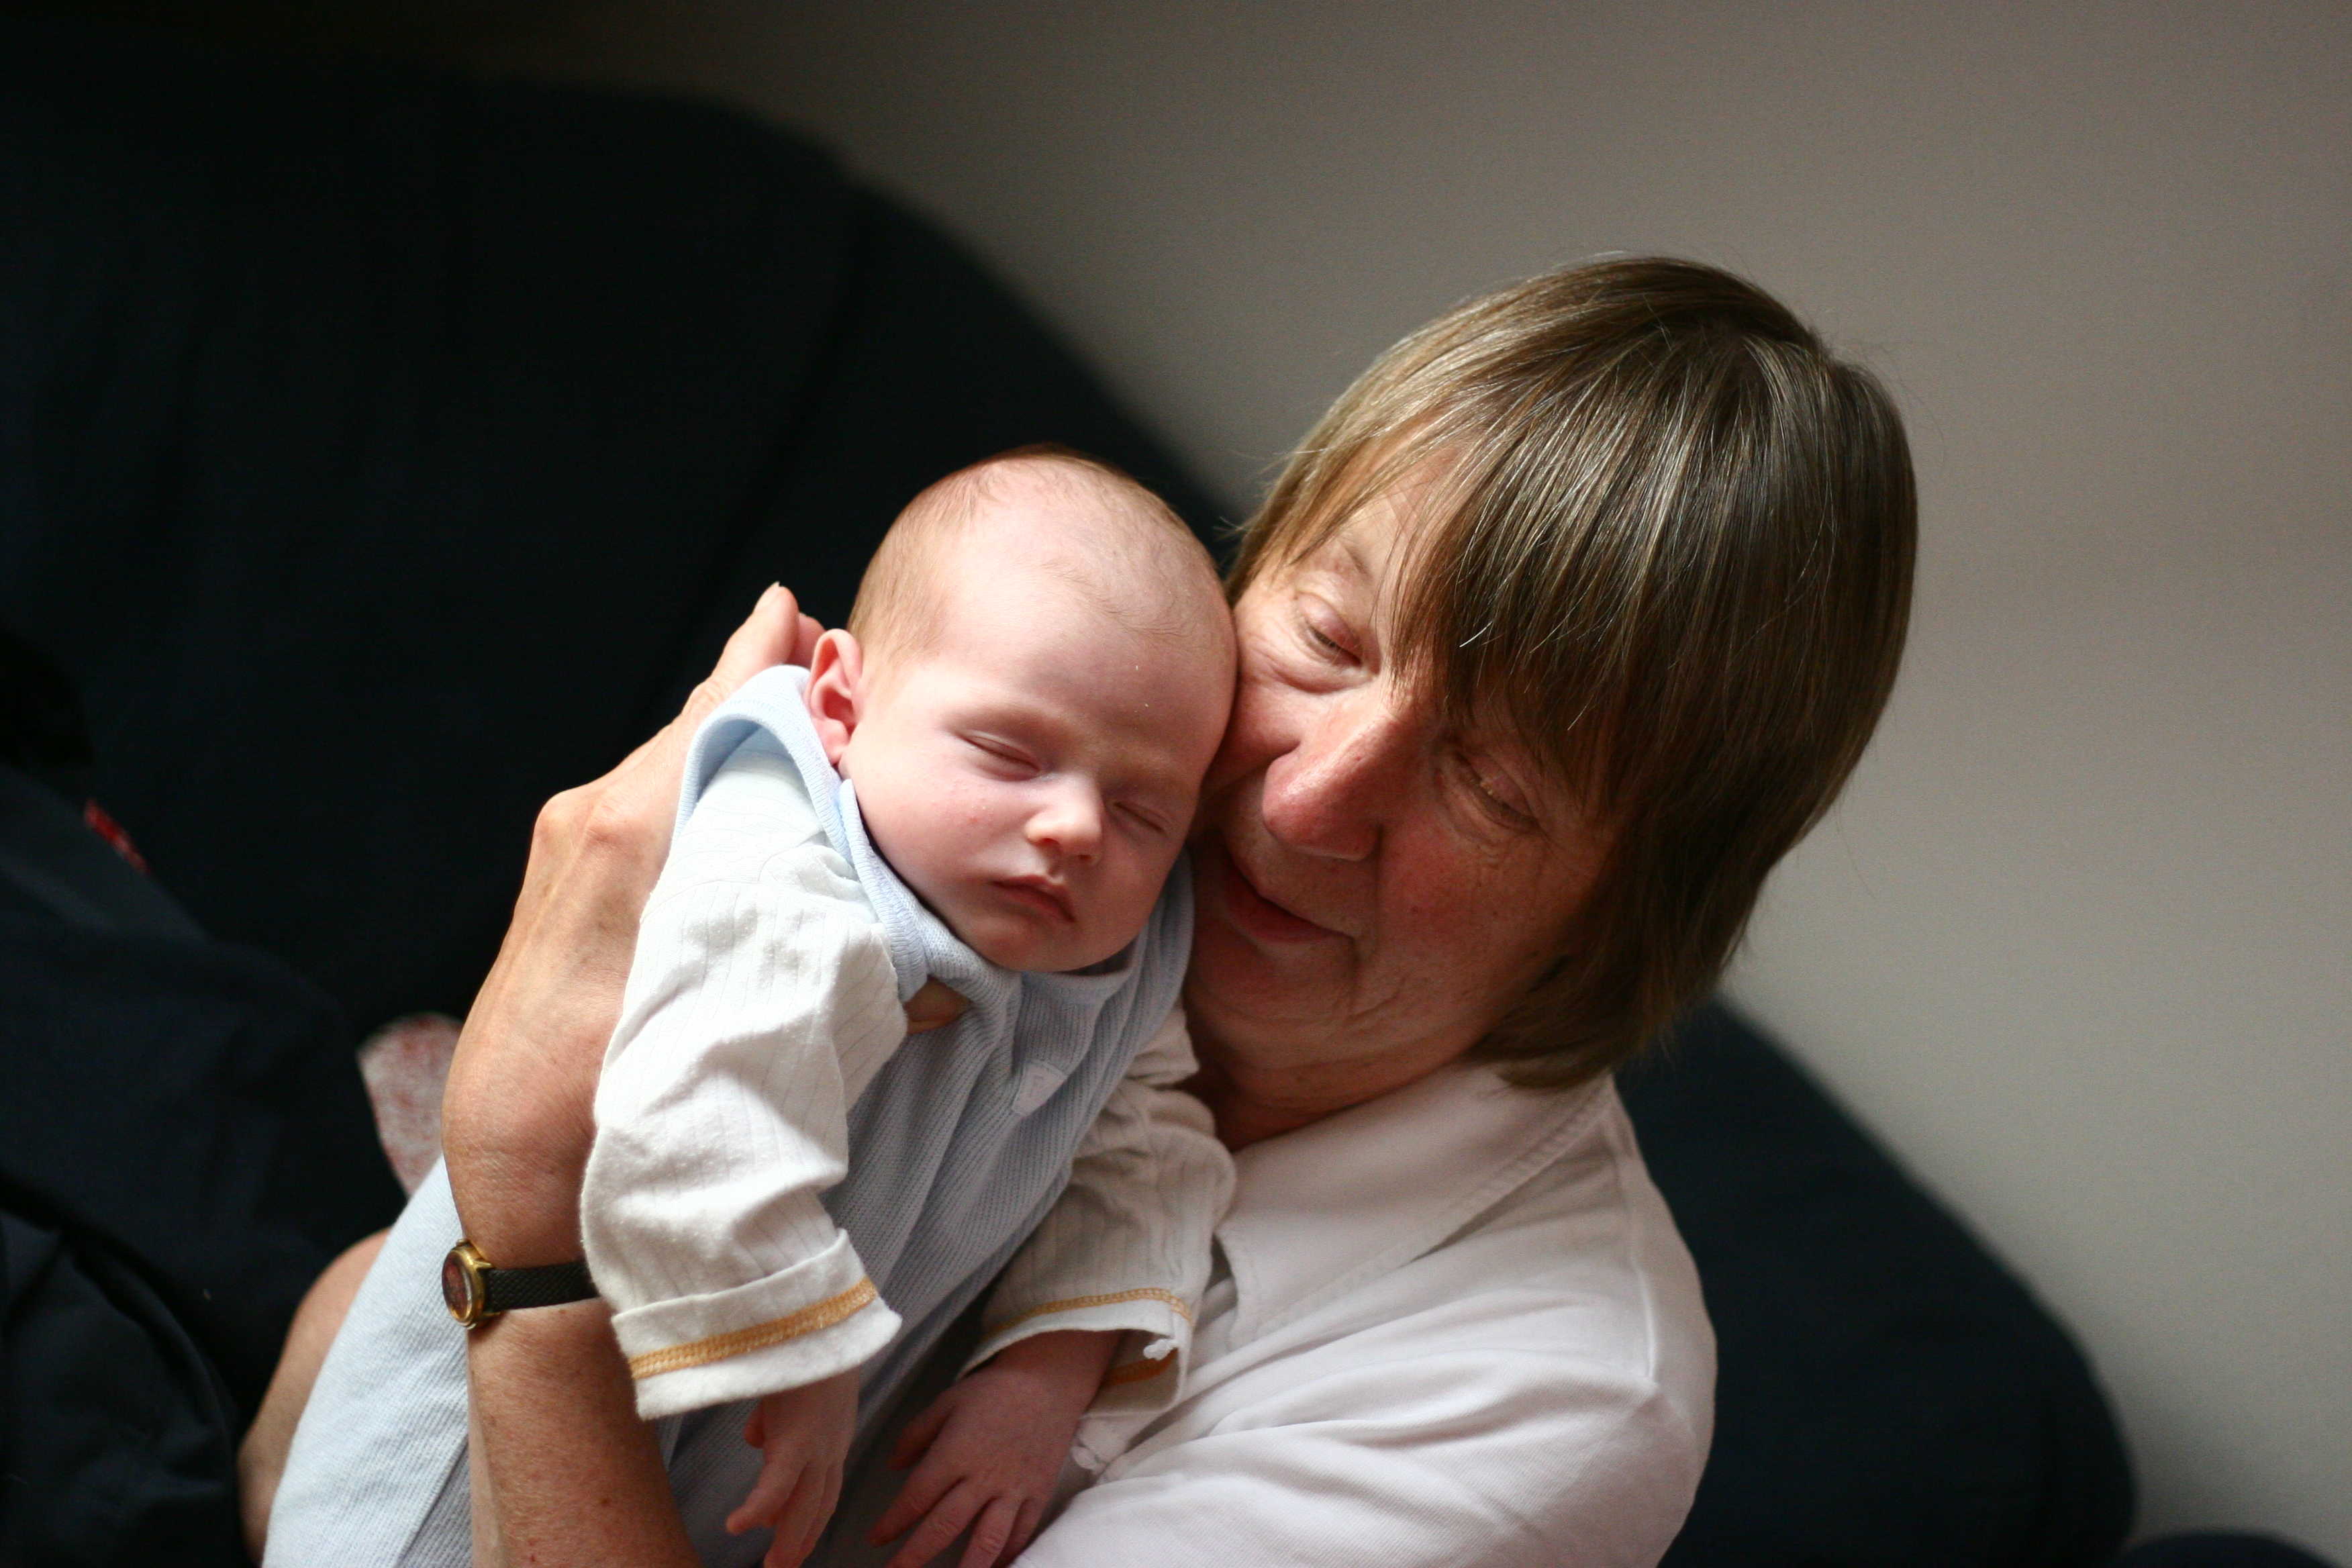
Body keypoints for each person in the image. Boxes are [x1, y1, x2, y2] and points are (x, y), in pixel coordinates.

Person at [252, 255, 1917, 1567]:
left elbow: (533, 1195)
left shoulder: (1546, 1405)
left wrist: (531, 1213)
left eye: (1491, 783)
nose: (1301, 802)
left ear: (1631, 916)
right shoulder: (1029, 852)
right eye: (1326, 639)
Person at [263, 452, 1240, 1568]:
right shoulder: (789, 859)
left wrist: (1049, 1367)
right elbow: (703, 1102)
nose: (1076, 827)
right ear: (841, 706)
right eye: (1010, 753)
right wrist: (808, 1350)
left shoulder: (1115, 963)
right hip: (449, 1462)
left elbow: (1143, 1139)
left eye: (1144, 810)